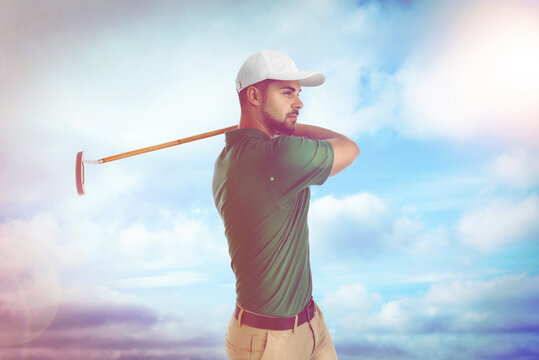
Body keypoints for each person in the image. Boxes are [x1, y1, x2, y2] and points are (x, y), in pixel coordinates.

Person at [212, 49, 359, 360]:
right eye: (287, 92)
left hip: (308, 321)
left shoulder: (227, 158)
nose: (299, 103)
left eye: (299, 93)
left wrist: (280, 125)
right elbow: (348, 147)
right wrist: (291, 128)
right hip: (272, 344)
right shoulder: (278, 156)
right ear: (253, 95)